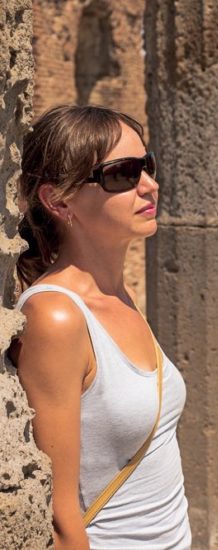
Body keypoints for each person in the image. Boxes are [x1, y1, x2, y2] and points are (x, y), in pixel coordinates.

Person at [7, 104, 192, 549]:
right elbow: (60, 518)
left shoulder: (117, 293)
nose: (150, 185)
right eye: (122, 174)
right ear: (58, 200)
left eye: (147, 165)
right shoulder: (56, 317)